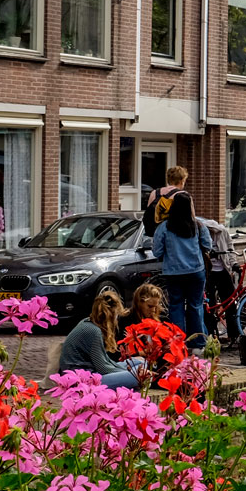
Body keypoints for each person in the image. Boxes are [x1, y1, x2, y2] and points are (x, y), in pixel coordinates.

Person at [59, 291, 149, 390]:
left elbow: (105, 361)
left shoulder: (87, 322)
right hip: (84, 381)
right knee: (138, 376)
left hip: (91, 373)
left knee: (142, 363)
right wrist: (130, 372)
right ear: (113, 315)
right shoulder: (94, 331)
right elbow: (103, 368)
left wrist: (129, 369)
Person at [152, 191, 212, 340]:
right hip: (195, 271)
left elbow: (156, 250)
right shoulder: (197, 225)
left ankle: (178, 341)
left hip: (173, 273)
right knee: (195, 305)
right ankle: (198, 343)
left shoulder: (165, 227)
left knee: (176, 306)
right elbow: (208, 245)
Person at [142, 165, 189, 237]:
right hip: (173, 236)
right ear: (182, 181)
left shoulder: (154, 192)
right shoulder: (183, 195)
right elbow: (189, 218)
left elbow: (149, 213)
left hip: (155, 234)